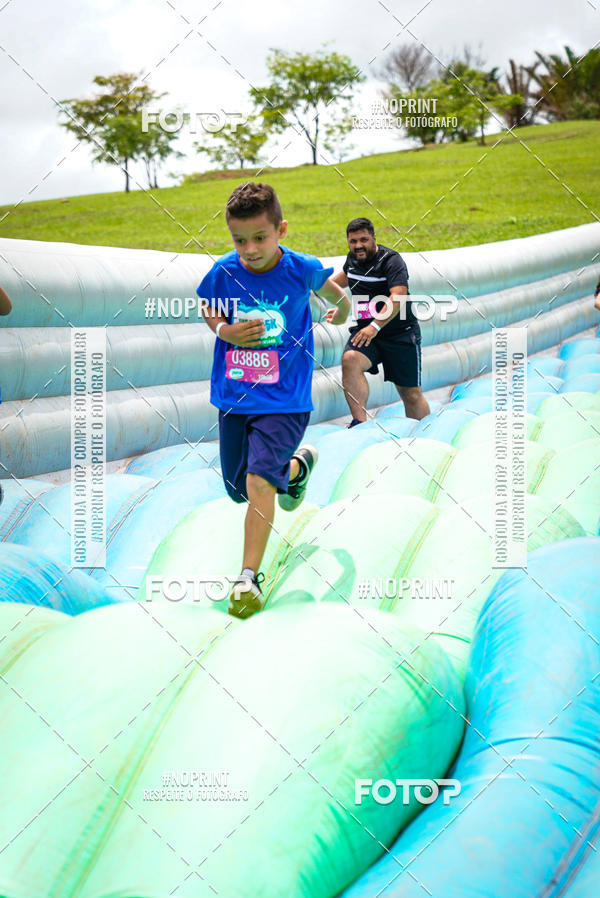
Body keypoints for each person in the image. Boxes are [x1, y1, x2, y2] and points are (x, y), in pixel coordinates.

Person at [197, 182, 350, 619]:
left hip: (285, 398)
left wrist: (338, 309)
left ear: (280, 229)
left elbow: (335, 294)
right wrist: (223, 330)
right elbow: (210, 305)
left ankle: (248, 577)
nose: (249, 248)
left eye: (259, 238)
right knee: (236, 488)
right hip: (234, 394)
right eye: (239, 239)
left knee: (259, 482)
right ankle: (297, 468)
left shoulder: (301, 268)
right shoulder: (225, 271)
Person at [331, 218, 430, 426]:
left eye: (363, 240)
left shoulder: (391, 261)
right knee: (350, 359)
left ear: (374, 238)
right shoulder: (353, 259)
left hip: (400, 333)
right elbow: (344, 278)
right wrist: (318, 289)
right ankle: (359, 423)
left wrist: (374, 327)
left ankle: (425, 432)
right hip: (366, 333)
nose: (358, 246)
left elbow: (398, 295)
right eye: (353, 241)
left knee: (410, 393)